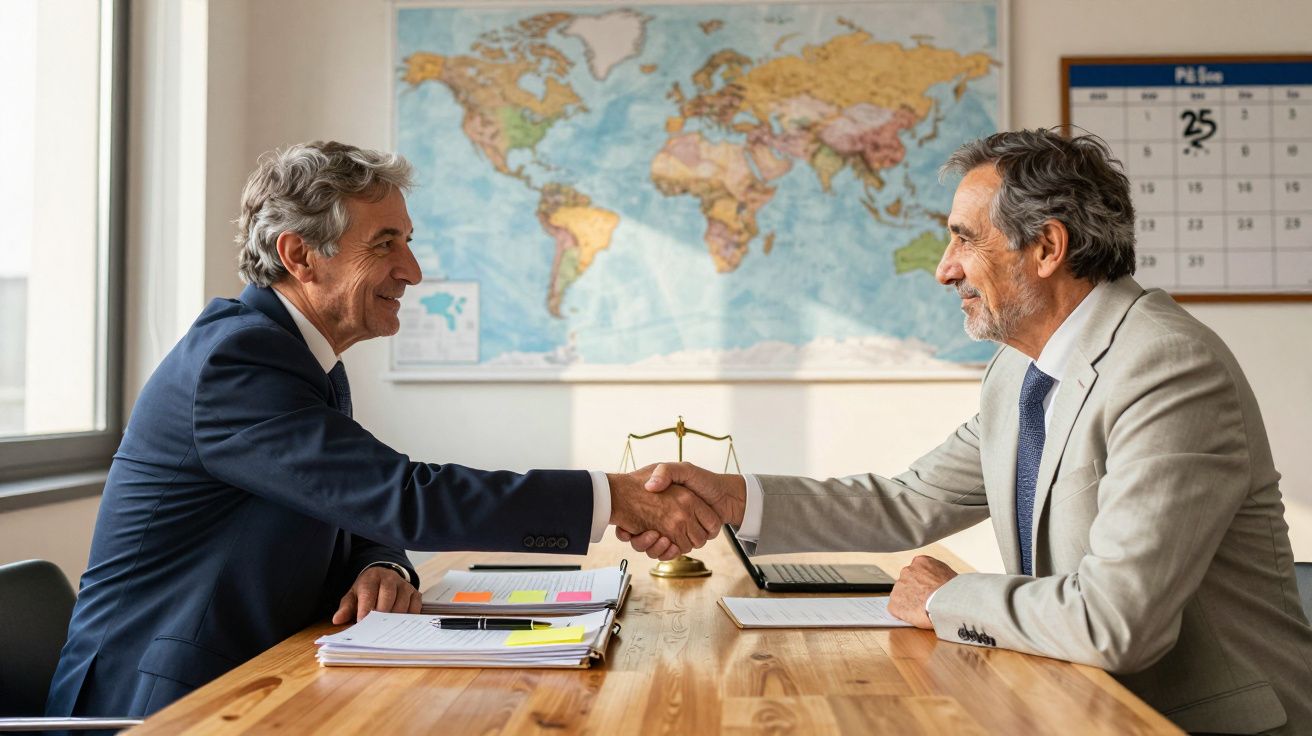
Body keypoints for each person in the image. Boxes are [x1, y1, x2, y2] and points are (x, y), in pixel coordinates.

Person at [626, 130, 1312, 734]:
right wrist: (729, 498)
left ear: (1047, 246)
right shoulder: (1019, 374)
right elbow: (908, 501)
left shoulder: (1166, 368)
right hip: (1072, 702)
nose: (943, 268)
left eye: (963, 237)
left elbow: (1115, 624)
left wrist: (945, 598)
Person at [46, 141, 722, 719]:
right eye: (385, 244)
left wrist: (381, 561)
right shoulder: (238, 363)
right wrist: (612, 496)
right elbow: (402, 494)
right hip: (160, 705)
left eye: (408, 242)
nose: (413, 271)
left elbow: (353, 499)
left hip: (253, 683)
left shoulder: (302, 358)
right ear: (301, 255)